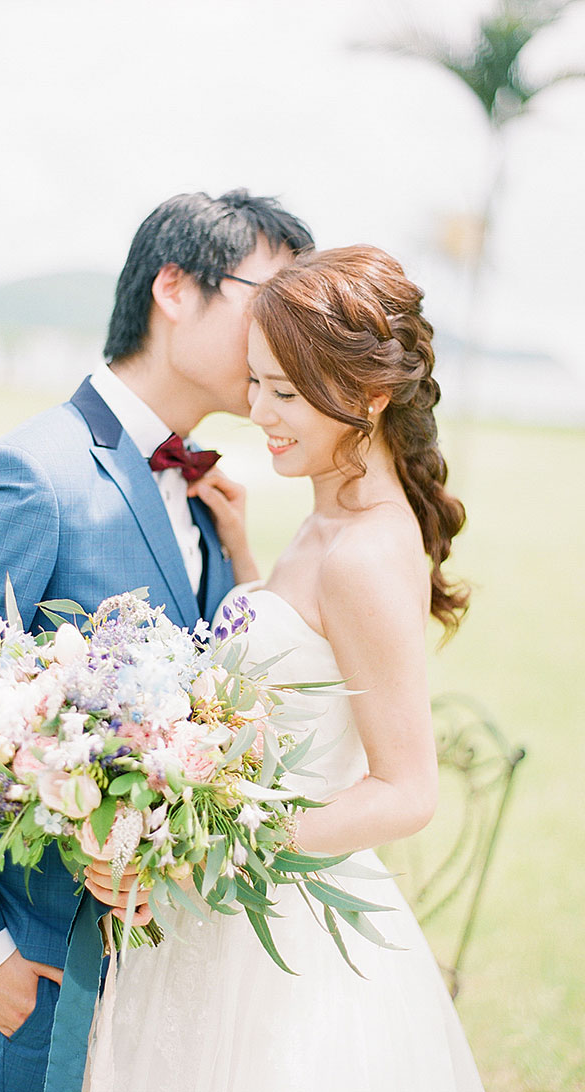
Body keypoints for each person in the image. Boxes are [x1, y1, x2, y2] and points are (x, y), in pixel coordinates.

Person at [0, 188, 314, 1092]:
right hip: (38, 965)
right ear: (174, 289)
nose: (287, 335)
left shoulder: (205, 491)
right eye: (268, 300)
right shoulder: (35, 475)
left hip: (156, 962)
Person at [91, 245, 484, 1091]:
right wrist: (243, 559)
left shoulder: (366, 553)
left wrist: (208, 848)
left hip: (285, 931)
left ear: (369, 397)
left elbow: (407, 791)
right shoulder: (332, 505)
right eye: (258, 383)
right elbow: (308, 661)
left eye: (288, 393)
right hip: (232, 905)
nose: (261, 413)